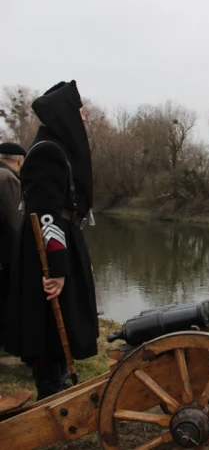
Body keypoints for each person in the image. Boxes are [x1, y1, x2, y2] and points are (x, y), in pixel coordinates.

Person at [3, 81, 98, 400]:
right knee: (45, 324)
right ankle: (50, 389)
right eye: (80, 112)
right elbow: (45, 214)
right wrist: (56, 267)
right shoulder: (47, 151)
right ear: (65, 114)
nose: (84, 119)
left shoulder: (57, 148)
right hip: (46, 249)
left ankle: (55, 383)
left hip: (62, 241)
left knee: (63, 320)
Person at [0, 142, 26, 347]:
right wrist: (23, 251)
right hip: (6, 253)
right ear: (19, 160)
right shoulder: (8, 178)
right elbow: (13, 221)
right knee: (7, 297)